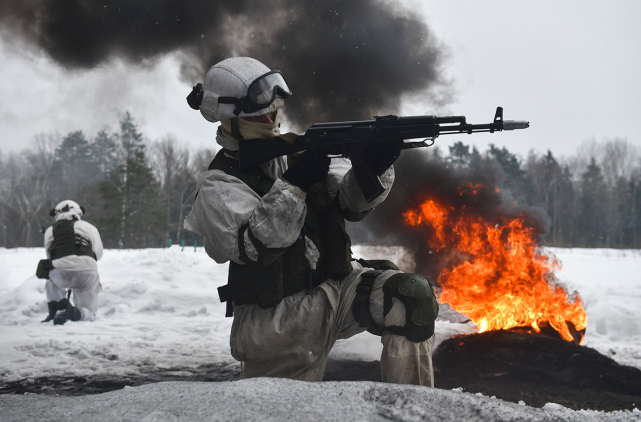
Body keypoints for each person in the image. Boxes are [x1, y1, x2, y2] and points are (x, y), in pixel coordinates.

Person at [184, 57, 438, 385]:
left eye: (274, 107)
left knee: (409, 295)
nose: (271, 115)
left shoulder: (295, 154)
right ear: (228, 117)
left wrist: (374, 163)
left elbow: (350, 204)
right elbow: (255, 246)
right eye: (260, 112)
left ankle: (412, 411)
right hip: (275, 323)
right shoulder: (218, 185)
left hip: (333, 291)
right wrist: (296, 184)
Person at [41, 200, 103, 325]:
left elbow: (49, 256)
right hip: (87, 273)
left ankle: (55, 310)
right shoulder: (89, 227)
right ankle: (74, 312)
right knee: (90, 313)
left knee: (49, 272)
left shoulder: (50, 231)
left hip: (60, 273)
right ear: (78, 212)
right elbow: (98, 254)